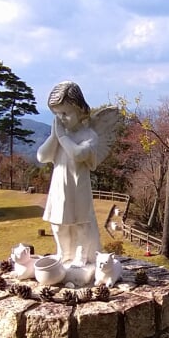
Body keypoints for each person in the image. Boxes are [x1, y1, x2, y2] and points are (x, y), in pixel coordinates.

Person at [37, 81, 117, 267]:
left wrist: (62, 136)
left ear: (80, 111)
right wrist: (54, 136)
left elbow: (78, 154)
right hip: (59, 187)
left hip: (77, 186)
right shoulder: (58, 137)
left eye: (65, 113)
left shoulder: (88, 136)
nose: (61, 119)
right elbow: (42, 156)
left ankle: (81, 255)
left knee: (81, 223)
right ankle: (64, 253)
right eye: (57, 114)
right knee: (58, 224)